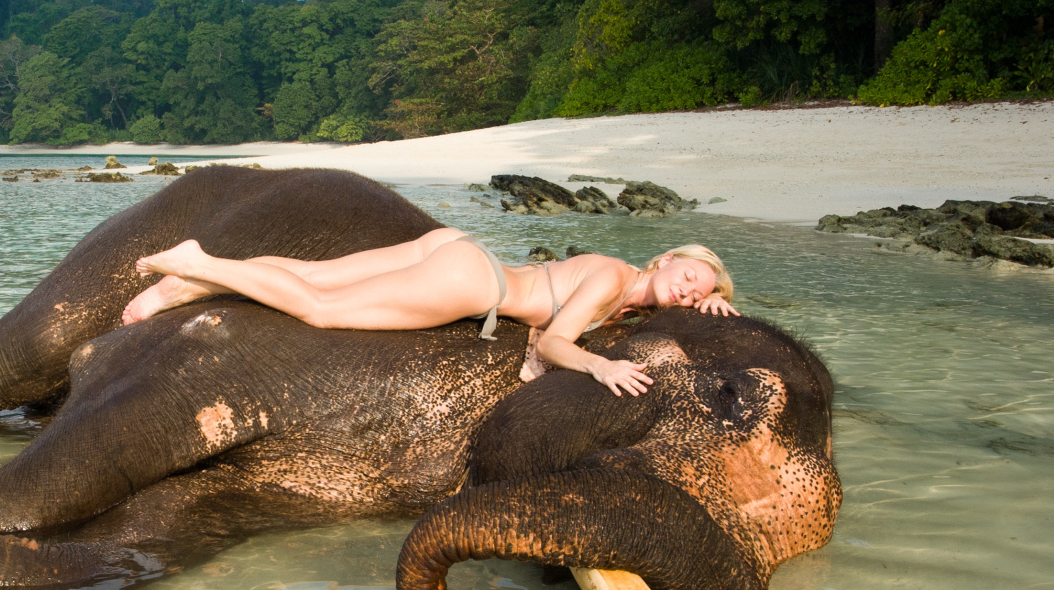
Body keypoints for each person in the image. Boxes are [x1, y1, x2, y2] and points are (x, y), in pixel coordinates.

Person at [120, 229, 738, 396]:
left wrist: (717, 301)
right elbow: (553, 344)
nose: (687, 293)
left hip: (455, 247)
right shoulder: (610, 276)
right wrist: (599, 368)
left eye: (698, 292)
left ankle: (189, 286)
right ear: (662, 259)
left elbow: (681, 314)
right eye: (688, 277)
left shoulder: (631, 292)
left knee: (311, 273)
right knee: (320, 307)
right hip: (474, 282)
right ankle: (199, 262)